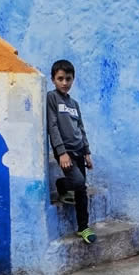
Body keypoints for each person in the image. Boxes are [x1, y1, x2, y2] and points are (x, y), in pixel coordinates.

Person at [46, 60, 96, 244]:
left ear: (73, 79)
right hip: (65, 151)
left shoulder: (74, 103)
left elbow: (80, 128)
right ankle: (61, 185)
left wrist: (87, 152)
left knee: (81, 189)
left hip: (79, 150)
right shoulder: (52, 98)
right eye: (60, 79)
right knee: (78, 181)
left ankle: (83, 227)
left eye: (68, 79)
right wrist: (61, 152)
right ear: (53, 79)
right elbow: (52, 126)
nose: (64, 83)